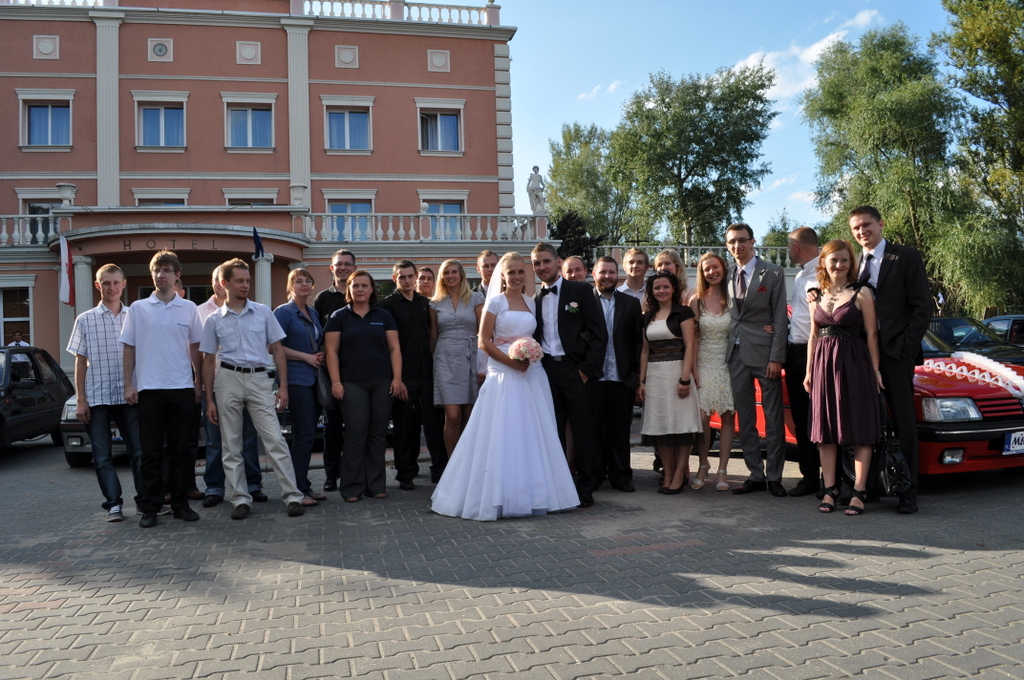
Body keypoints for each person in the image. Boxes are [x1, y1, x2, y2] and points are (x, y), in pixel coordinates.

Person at [432, 252, 579, 520]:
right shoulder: (495, 302)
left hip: (532, 373)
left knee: (533, 430)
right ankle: (498, 493)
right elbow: (483, 341)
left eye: (521, 271)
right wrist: (510, 362)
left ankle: (536, 491)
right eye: (511, 272)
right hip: (504, 371)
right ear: (503, 275)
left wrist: (529, 355)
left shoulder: (531, 302)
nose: (517, 276)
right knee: (503, 428)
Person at [200, 259, 306, 520]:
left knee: (275, 439)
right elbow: (208, 360)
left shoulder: (262, 312)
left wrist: (283, 387)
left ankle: (293, 496)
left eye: (247, 280)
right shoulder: (213, 320)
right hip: (227, 379)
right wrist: (209, 399)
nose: (245, 285)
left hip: (259, 379)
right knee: (231, 444)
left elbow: (278, 350)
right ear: (224, 284)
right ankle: (240, 499)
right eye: (239, 281)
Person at [848, 205, 931, 514]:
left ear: (880, 224)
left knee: (903, 422)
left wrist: (905, 348)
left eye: (866, 225)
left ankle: (908, 491)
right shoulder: (853, 263)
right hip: (859, 354)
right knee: (866, 422)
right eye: (856, 228)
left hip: (896, 354)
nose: (861, 231)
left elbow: (922, 306)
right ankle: (867, 488)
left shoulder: (905, 256)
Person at [120, 250, 203, 528]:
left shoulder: (189, 308)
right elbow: (129, 347)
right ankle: (150, 507)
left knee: (181, 452)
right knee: (151, 453)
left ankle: (180, 504)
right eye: (156, 270)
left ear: (177, 275)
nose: (160, 275)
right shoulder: (138, 309)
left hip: (181, 388)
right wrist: (129, 383)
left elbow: (195, 348)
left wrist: (198, 382)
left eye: (166, 270)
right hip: (149, 389)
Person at [804, 239, 883, 515]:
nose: (839, 265)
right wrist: (808, 371)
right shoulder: (816, 296)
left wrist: (876, 371)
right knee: (825, 432)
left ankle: (859, 492)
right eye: (834, 260)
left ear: (851, 263)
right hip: (823, 367)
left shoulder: (862, 293)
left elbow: (871, 334)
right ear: (823, 262)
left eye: (845, 260)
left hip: (855, 365)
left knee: (860, 430)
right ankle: (830, 490)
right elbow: (813, 336)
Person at [531, 242, 607, 508]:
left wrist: (586, 371)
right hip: (546, 371)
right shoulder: (534, 299)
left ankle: (586, 488)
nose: (542, 267)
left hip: (575, 370)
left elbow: (599, 333)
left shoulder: (580, 290)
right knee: (552, 431)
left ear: (557, 262)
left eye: (546, 261)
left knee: (583, 430)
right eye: (537, 263)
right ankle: (558, 487)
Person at [67, 263, 143, 522]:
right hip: (97, 396)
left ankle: (144, 501)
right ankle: (113, 504)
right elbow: (80, 361)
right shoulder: (85, 319)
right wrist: (81, 399)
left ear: (123, 284)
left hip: (128, 395)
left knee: (139, 452)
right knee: (101, 455)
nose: (112, 287)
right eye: (106, 283)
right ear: (98, 285)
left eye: (116, 282)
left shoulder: (134, 317)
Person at [324, 270, 407, 502]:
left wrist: (397, 378)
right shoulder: (339, 316)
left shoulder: (384, 316)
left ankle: (376, 485)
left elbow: (394, 349)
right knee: (356, 433)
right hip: (351, 384)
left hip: (382, 382)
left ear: (372, 290)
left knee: (378, 434)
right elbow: (331, 351)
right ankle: (352, 488)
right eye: (355, 285)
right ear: (349, 290)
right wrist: (336, 382)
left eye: (364, 285)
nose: (360, 289)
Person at [725, 223, 790, 497]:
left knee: (773, 419)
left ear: (752, 242)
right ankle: (755, 475)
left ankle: (774, 477)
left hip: (765, 356)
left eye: (742, 240)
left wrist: (776, 357)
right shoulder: (726, 273)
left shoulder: (773, 272)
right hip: (735, 355)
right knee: (745, 419)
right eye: (732, 242)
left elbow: (779, 317)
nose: (737, 246)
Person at [196, 265, 265, 508]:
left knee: (248, 438)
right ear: (216, 282)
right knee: (215, 440)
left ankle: (253, 485)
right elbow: (200, 354)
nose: (219, 284)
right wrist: (204, 390)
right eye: (215, 280)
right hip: (216, 385)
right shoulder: (201, 312)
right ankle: (215, 487)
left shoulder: (253, 310)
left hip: (245, 382)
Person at [379, 260, 446, 490]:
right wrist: (395, 377)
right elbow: (387, 345)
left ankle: (439, 469)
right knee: (405, 425)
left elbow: (433, 336)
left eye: (410, 276)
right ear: (394, 278)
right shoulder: (387, 306)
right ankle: (405, 473)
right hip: (403, 374)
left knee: (434, 424)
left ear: (415, 277)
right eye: (402, 277)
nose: (407, 281)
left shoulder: (426, 304)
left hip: (427, 372)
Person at [638, 271, 702, 494]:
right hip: (655, 377)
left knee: (682, 425)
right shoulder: (647, 316)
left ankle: (679, 473)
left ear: (673, 288)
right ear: (651, 291)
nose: (661, 291)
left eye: (665, 286)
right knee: (661, 426)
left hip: (677, 374)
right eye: (657, 287)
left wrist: (685, 378)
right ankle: (668, 472)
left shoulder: (683, 313)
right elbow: (644, 351)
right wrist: (642, 381)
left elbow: (690, 346)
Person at [274, 268, 326, 506]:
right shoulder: (283, 312)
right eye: (298, 281)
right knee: (303, 434)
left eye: (308, 280)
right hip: (295, 379)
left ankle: (303, 485)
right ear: (290, 286)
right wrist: (306, 357)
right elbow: (273, 347)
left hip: (314, 379)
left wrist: (319, 354)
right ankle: (296, 490)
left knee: (309, 434)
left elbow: (315, 342)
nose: (304, 284)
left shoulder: (313, 312)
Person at [590, 256, 642, 493]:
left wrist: (635, 376)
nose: (607, 277)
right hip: (594, 377)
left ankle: (621, 477)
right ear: (594, 274)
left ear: (617, 275)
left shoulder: (630, 304)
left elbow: (637, 342)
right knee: (594, 430)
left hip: (622, 378)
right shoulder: (585, 301)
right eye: (603, 272)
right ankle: (594, 476)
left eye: (611, 272)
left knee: (620, 431)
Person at [688, 252, 736, 492]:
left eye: (715, 267)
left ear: (723, 268)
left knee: (728, 417)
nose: (711, 272)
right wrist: (693, 369)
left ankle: (723, 470)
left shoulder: (734, 297)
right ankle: (703, 464)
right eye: (706, 269)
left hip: (728, 364)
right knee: (703, 418)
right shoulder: (696, 300)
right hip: (704, 364)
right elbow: (692, 339)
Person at [430, 259, 485, 459]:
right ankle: (452, 463)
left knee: (469, 416)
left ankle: (469, 462)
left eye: (454, 272)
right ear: (442, 277)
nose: (450, 276)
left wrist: (483, 364)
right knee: (452, 416)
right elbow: (433, 335)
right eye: (446, 273)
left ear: (461, 275)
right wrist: (434, 360)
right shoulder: (434, 303)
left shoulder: (476, 298)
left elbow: (483, 331)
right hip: (445, 360)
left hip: (471, 358)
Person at [313, 249, 356, 493]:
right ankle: (331, 475)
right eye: (339, 264)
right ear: (332, 268)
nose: (343, 268)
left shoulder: (362, 293)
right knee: (332, 427)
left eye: (347, 264)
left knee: (356, 427)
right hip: (331, 373)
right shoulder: (322, 298)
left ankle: (353, 473)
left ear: (354, 268)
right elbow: (316, 333)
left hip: (358, 372)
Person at [786, 227, 822, 497]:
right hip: (795, 353)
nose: (788, 251)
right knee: (801, 418)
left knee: (824, 419)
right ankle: (809, 477)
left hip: (819, 352)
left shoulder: (825, 271)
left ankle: (831, 479)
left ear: (796, 247)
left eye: (789, 246)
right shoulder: (799, 276)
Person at [475, 250, 499, 384]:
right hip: (479, 356)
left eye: (493, 265)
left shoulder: (508, 293)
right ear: (478, 269)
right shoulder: (470, 296)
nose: (490, 269)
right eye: (485, 266)